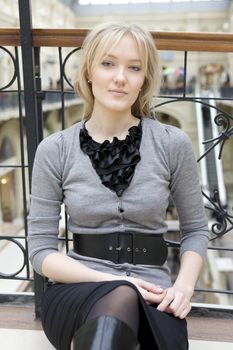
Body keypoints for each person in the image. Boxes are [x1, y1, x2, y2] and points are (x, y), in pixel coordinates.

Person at [27, 22, 209, 350]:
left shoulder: (173, 143)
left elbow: (195, 229)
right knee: (121, 296)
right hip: (78, 291)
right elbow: (40, 250)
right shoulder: (55, 150)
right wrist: (118, 281)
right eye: (108, 64)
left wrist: (183, 288)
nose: (120, 77)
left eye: (134, 68)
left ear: (144, 80)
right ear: (88, 73)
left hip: (157, 295)